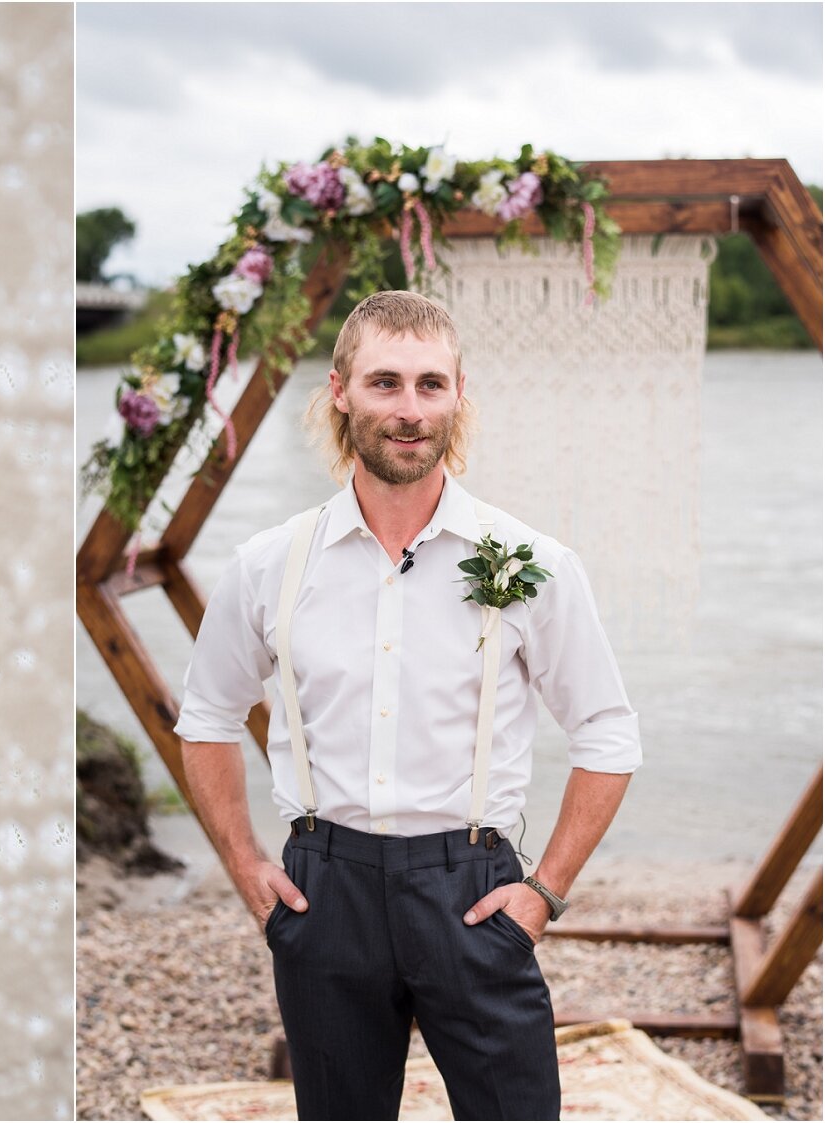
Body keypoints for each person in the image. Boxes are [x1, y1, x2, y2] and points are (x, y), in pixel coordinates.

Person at [172, 290, 640, 1121]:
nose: (410, 409)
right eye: (386, 382)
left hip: (474, 889)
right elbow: (207, 717)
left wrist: (544, 892)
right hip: (325, 890)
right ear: (340, 390)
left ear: (460, 393)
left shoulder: (536, 563)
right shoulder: (267, 564)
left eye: (431, 384)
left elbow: (607, 732)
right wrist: (249, 872)